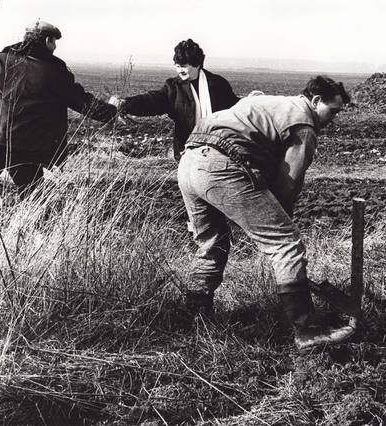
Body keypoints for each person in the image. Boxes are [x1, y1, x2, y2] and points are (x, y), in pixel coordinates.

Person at [177, 76, 354, 351]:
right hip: (219, 166)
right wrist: (278, 227)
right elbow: (287, 185)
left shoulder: (265, 99)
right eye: (333, 111)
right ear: (316, 101)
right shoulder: (304, 125)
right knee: (287, 243)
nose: (334, 119)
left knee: (212, 241)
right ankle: (307, 330)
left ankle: (194, 318)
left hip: (188, 162)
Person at [0, 21, 118, 251]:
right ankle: (42, 252)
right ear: (47, 41)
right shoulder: (56, 71)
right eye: (54, 42)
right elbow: (82, 102)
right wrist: (112, 112)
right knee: (34, 199)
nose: (55, 48)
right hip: (26, 148)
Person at [112, 39, 240, 161]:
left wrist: (253, 101)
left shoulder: (218, 84)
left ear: (196, 64)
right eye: (177, 66)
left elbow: (234, 109)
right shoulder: (173, 87)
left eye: (183, 66)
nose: (179, 70)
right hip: (186, 152)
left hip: (218, 151)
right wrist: (125, 104)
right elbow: (152, 100)